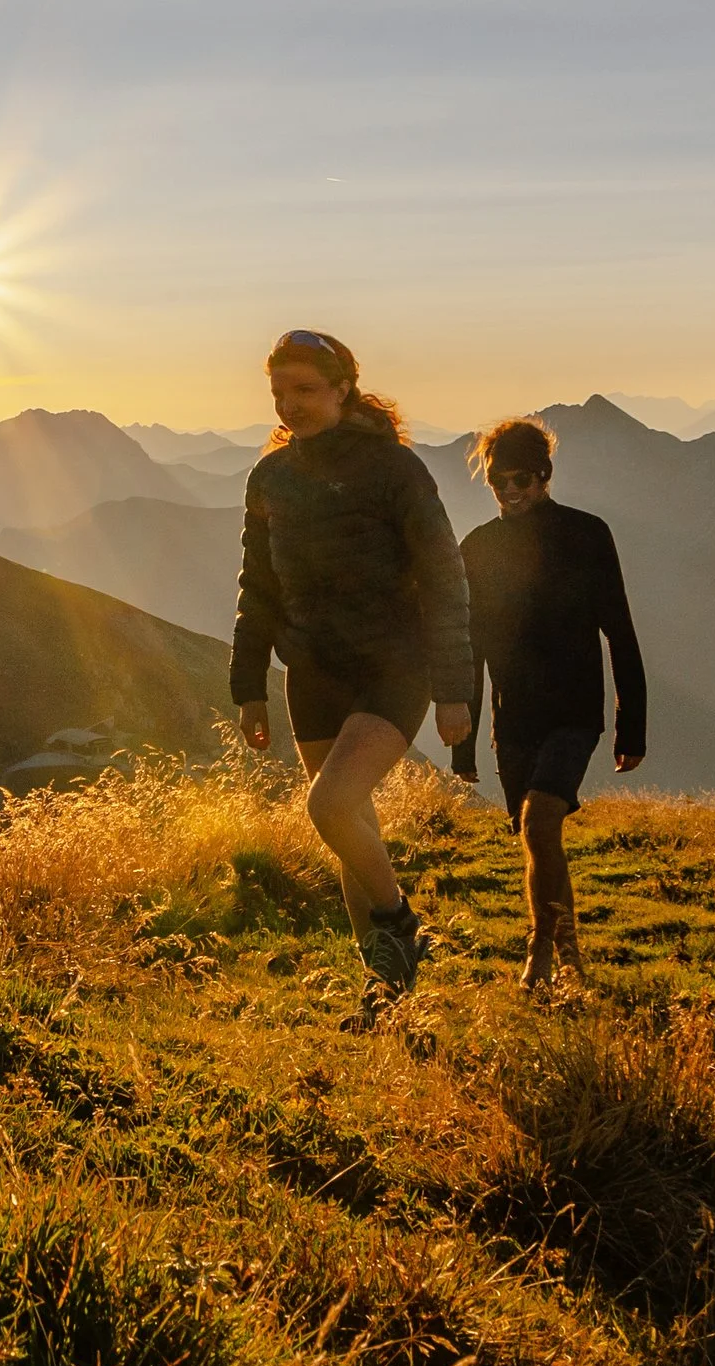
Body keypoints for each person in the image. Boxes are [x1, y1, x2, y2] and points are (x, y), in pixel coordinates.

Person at [232, 329, 474, 997]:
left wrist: (456, 688)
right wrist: (248, 684)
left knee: (331, 802)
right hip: (311, 670)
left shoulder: (395, 470)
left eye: (305, 390)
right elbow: (257, 585)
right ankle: (385, 987)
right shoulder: (271, 477)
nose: (290, 406)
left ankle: (398, 919)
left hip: (394, 665)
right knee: (351, 822)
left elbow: (444, 576)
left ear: (344, 388)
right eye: (279, 392)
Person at [453, 416, 647, 989]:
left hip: (573, 711)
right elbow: (472, 648)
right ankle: (571, 957)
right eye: (497, 482)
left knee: (539, 825)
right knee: (538, 838)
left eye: (519, 481)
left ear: (544, 476)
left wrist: (629, 727)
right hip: (513, 718)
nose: (508, 493)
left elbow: (620, 630)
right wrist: (465, 742)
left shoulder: (588, 535)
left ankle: (540, 954)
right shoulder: (479, 547)